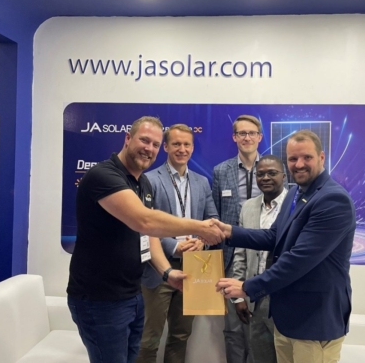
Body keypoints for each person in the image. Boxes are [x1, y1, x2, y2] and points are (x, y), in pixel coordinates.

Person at [67, 116, 223, 363]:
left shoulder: (142, 184)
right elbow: (144, 221)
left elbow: (147, 236)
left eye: (154, 144)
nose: (149, 148)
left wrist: (166, 272)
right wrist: (200, 227)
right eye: (144, 140)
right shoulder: (104, 176)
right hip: (100, 300)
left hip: (131, 294)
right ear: (128, 138)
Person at [216, 129, 356, 363]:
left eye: (307, 157)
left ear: (321, 157)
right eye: (293, 158)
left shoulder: (333, 200)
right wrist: (228, 232)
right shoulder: (294, 193)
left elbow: (298, 260)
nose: (299, 164)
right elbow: (274, 237)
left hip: (315, 322)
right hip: (287, 319)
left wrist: (248, 287)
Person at [137, 124, 219, 363]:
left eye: (187, 145)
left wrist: (202, 241)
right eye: (176, 144)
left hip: (194, 268)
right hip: (158, 269)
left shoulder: (202, 182)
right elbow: (145, 225)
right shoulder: (149, 179)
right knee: (148, 339)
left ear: (192, 148)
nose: (182, 149)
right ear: (165, 147)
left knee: (181, 335)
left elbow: (212, 220)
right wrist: (173, 245)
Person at [212, 115, 264, 363]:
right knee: (233, 326)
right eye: (242, 133)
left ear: (259, 137)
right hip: (231, 256)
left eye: (251, 133)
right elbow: (214, 213)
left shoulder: (273, 169)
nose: (247, 138)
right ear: (234, 137)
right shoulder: (221, 171)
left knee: (260, 325)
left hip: (264, 254)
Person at [231, 155, 287, 363]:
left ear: (284, 176)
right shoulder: (248, 207)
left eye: (272, 173)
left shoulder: (294, 207)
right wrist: (239, 297)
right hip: (255, 297)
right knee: (260, 356)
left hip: (283, 298)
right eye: (260, 174)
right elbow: (240, 254)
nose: (265, 178)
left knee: (285, 356)